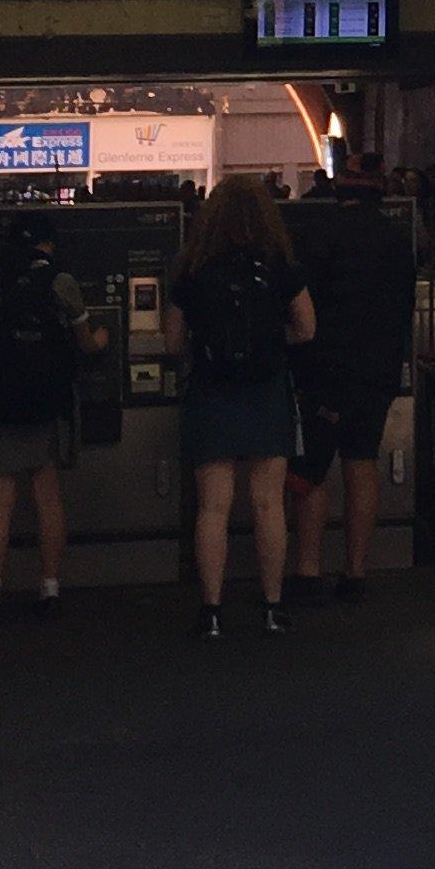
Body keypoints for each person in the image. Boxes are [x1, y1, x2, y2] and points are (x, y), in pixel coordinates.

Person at [169, 175, 319, 638]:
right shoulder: (278, 264)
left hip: (212, 391)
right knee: (267, 504)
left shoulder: (192, 267)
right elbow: (308, 329)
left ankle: (211, 611)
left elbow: (174, 340)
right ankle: (272, 607)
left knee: (213, 507)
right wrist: (273, 343)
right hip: (265, 389)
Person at [0, 211, 103, 618]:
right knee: (47, 496)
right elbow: (87, 343)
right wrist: (102, 338)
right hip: (46, 402)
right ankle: (50, 589)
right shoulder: (61, 281)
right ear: (47, 244)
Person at [286, 160, 416, 599]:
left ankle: (307, 572)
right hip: (378, 370)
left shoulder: (320, 233)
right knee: (362, 464)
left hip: (327, 370)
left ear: (338, 190)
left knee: (312, 471)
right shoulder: (397, 239)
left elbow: (302, 304)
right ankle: (356, 572)